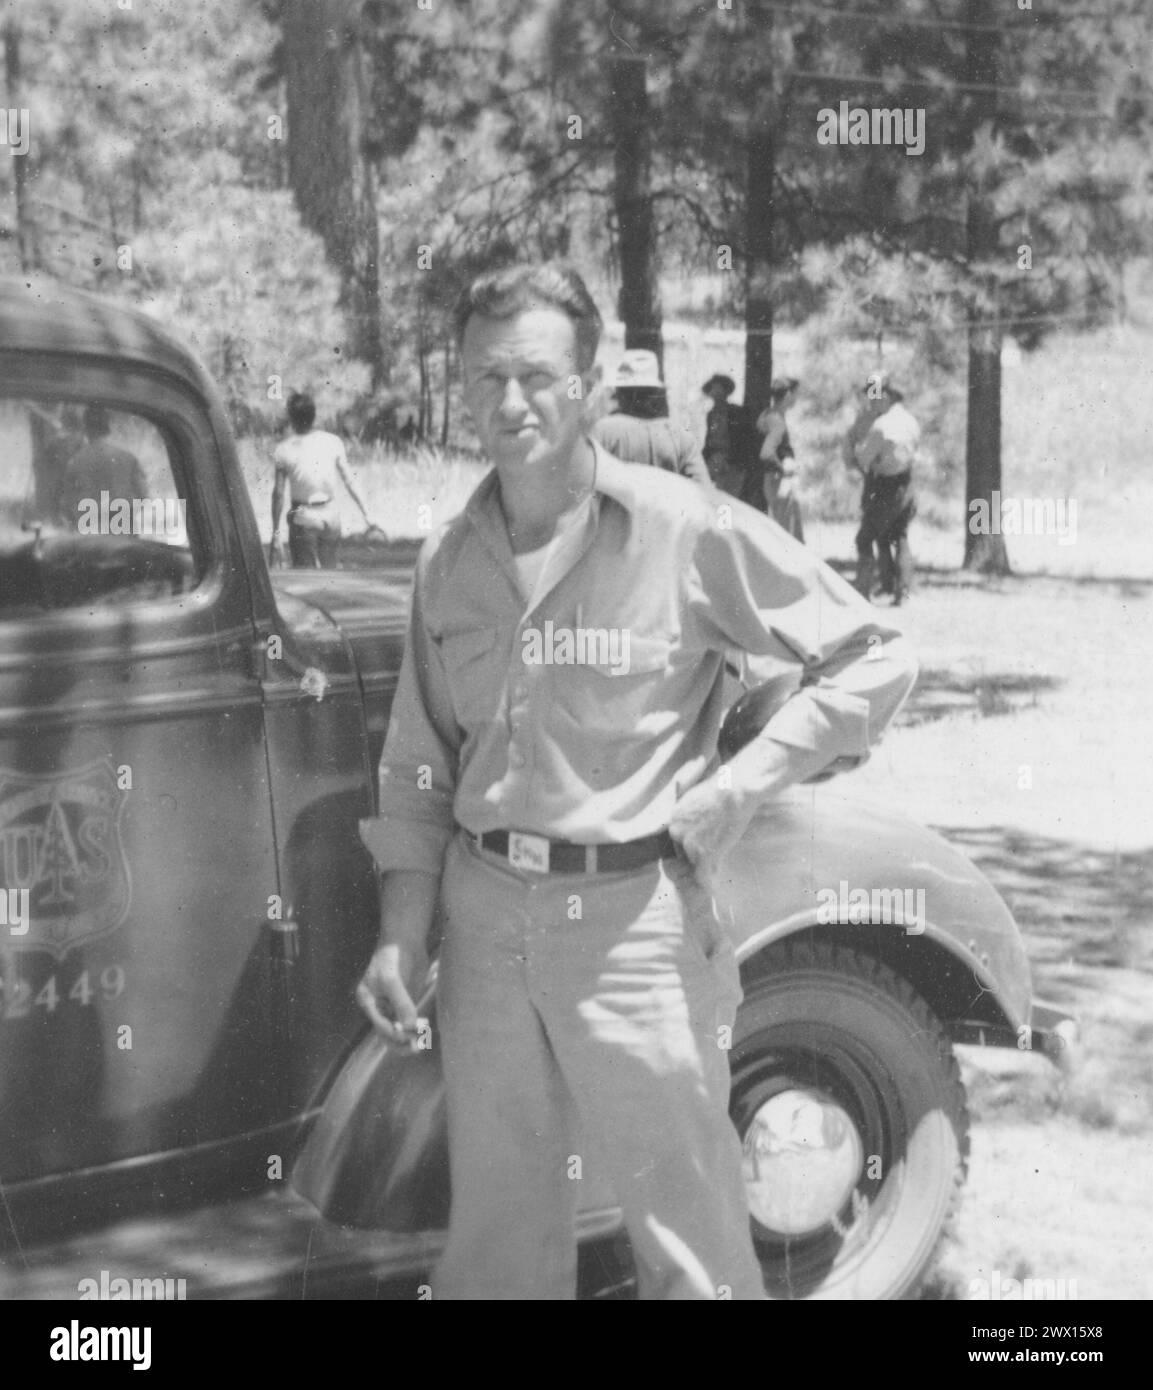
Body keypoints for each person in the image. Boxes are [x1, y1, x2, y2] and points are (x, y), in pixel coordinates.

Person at [355, 262, 917, 1301]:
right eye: (483, 379)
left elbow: (876, 654)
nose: (508, 402)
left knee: (690, 1245)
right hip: (482, 925)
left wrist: (743, 783)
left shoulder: (685, 530)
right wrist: (402, 926)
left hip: (633, 926)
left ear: (591, 385)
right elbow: (419, 760)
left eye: (535, 375)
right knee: (495, 1243)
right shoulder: (447, 557)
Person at [270, 392, 373, 568]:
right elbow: (350, 480)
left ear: (291, 418)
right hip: (330, 514)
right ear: (314, 416)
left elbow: (278, 493)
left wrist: (276, 532)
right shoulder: (332, 442)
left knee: (306, 574)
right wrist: (367, 515)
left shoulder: (284, 449)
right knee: (330, 571)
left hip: (303, 515)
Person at [849, 375, 921, 605]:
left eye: (875, 397)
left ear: (887, 396)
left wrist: (859, 449)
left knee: (864, 539)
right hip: (907, 483)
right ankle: (904, 594)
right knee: (900, 537)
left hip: (884, 486)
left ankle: (861, 592)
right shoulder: (911, 421)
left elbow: (864, 458)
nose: (872, 403)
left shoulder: (881, 426)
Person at [590, 349, 711, 484]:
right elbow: (703, 490)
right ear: (656, 394)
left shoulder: (603, 431)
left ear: (620, 393)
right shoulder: (681, 437)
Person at [58, 404, 149, 527]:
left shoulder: (75, 462)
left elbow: (66, 505)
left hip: (89, 535)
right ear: (107, 428)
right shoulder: (128, 458)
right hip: (122, 533)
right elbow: (143, 495)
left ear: (86, 429)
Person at [754, 376, 804, 541]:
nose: (797, 398)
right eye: (796, 394)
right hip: (780, 482)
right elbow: (766, 453)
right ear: (788, 395)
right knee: (788, 538)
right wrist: (783, 470)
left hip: (772, 481)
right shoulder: (777, 421)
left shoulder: (768, 415)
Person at [701, 374, 757, 498]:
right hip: (715, 460)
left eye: (719, 388)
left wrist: (740, 462)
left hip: (733, 463)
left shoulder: (737, 412)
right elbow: (709, 440)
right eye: (713, 389)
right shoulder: (711, 415)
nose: (716, 392)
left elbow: (745, 439)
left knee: (729, 498)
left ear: (726, 391)